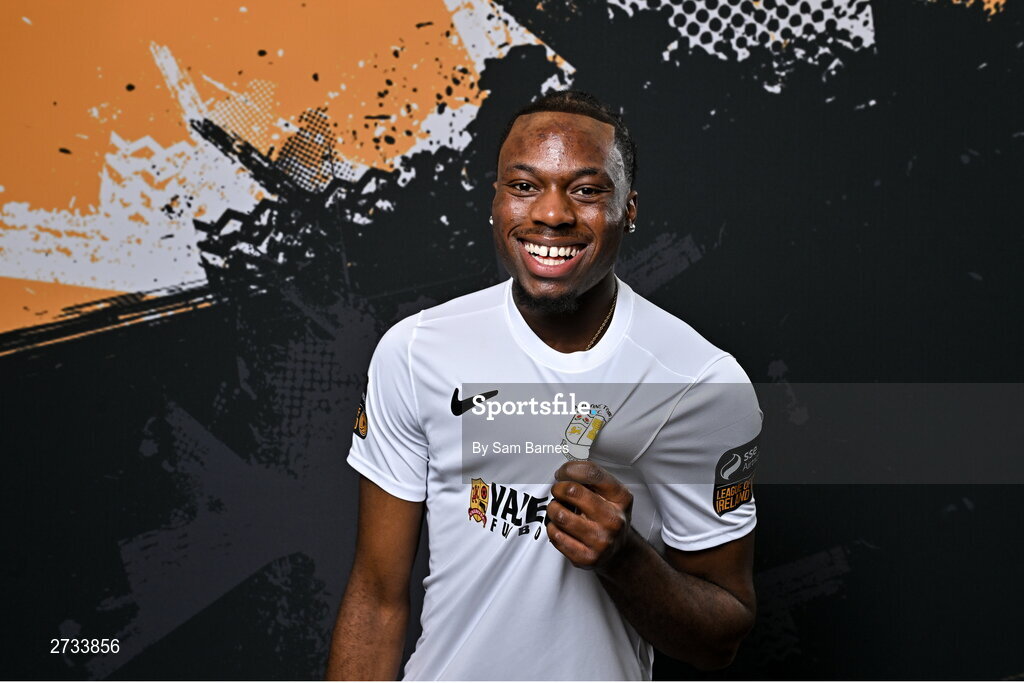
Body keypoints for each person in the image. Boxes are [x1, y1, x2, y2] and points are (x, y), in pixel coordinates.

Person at [326, 90, 761, 681]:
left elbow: (722, 637)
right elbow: (377, 597)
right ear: (497, 202)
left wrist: (625, 559)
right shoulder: (417, 351)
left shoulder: (700, 383)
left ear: (628, 209)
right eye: (525, 186)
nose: (551, 214)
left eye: (586, 190)